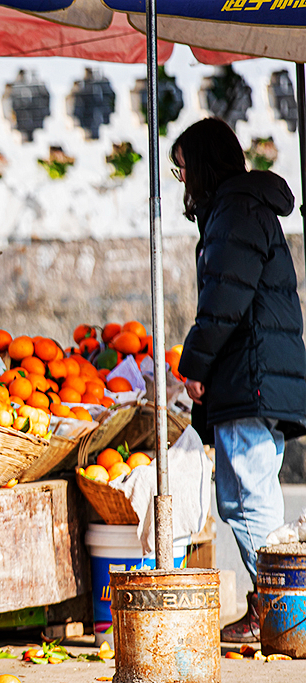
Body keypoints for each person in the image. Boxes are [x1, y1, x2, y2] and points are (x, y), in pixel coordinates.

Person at [171, 117, 306, 643]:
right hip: (256, 371)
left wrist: (196, 364)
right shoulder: (240, 208)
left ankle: (285, 610)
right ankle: (276, 604)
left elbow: (224, 299)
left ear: (204, 164)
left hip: (249, 373)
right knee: (251, 489)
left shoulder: (236, 210)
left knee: (248, 494)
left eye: (183, 168)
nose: (182, 181)